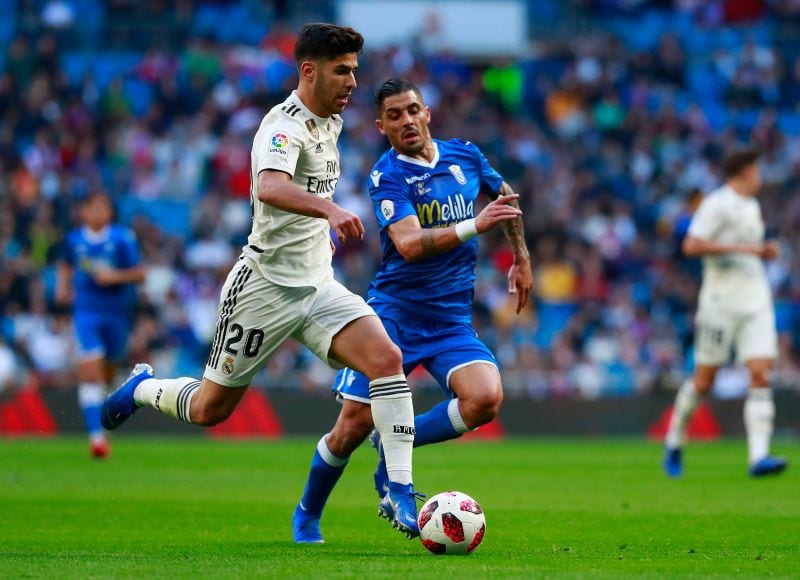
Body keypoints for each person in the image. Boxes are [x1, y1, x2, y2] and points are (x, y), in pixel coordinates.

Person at [100, 24, 420, 537]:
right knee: (209, 409)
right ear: (309, 70)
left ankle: (400, 492)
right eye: (342, 71)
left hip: (318, 286)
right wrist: (330, 211)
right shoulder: (282, 124)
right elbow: (270, 186)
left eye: (355, 71)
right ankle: (143, 387)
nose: (353, 82)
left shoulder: (331, 122)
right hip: (263, 288)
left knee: (386, 360)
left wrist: (323, 232)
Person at [292, 78, 533, 543]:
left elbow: (506, 197)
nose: (406, 120)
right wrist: (474, 225)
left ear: (427, 113)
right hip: (393, 317)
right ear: (381, 126)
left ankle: (394, 442)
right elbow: (407, 244)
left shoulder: (465, 155)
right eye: (394, 115)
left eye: (411, 110)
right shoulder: (387, 176)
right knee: (350, 427)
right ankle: (307, 514)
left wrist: (522, 259)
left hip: (449, 320)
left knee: (485, 399)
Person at [663, 148, 788, 478]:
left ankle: (758, 457)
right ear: (745, 172)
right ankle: (674, 440)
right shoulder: (716, 204)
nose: (760, 178)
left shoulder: (751, 205)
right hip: (720, 304)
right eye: (757, 171)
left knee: (760, 373)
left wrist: (760, 253)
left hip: (756, 302)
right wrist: (748, 249)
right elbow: (691, 245)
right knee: (704, 381)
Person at [56, 192, 145, 459]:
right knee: (90, 369)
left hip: (116, 313)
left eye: (102, 208)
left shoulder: (122, 238)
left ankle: (102, 416)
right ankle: (96, 438)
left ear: (109, 213)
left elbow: (140, 274)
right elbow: (65, 265)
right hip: (86, 311)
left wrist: (114, 277)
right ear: (84, 211)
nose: (97, 212)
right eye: (92, 208)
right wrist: (62, 289)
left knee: (108, 373)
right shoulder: (73, 240)